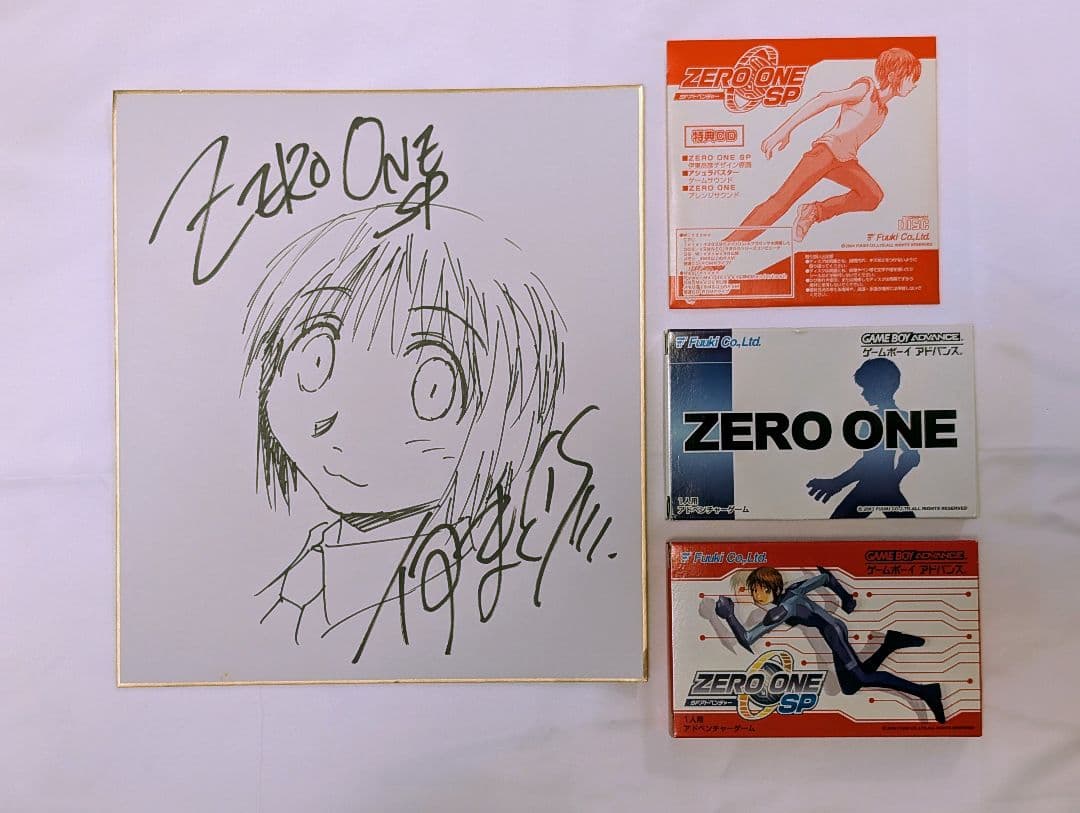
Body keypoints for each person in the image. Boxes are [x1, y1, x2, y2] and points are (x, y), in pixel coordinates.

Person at [241, 205, 577, 652]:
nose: (342, 417)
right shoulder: (297, 581)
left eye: (431, 385)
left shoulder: (470, 595)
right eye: (317, 358)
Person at [724, 48, 921, 245]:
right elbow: (823, 99)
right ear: (893, 76)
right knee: (780, 202)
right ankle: (726, 247)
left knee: (872, 196)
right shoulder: (865, 89)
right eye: (912, 78)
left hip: (845, 161)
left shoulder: (882, 111)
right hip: (824, 154)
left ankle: (814, 211)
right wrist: (783, 131)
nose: (914, 84)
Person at [714, 566, 946, 723]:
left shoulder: (781, 610)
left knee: (863, 677)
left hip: (833, 634)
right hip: (834, 629)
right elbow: (826, 578)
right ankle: (890, 643)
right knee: (850, 687)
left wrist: (729, 616)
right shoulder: (793, 590)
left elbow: (748, 638)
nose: (755, 596)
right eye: (753, 590)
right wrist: (846, 598)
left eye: (757, 590)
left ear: (769, 587)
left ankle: (926, 692)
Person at [806, 357, 919, 518]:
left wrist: (837, 483)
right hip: (878, 488)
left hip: (870, 489)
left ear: (881, 387)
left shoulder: (873, 421)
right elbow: (909, 457)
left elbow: (872, 463)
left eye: (867, 387)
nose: (863, 393)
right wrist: (892, 482)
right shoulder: (896, 417)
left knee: (838, 527)